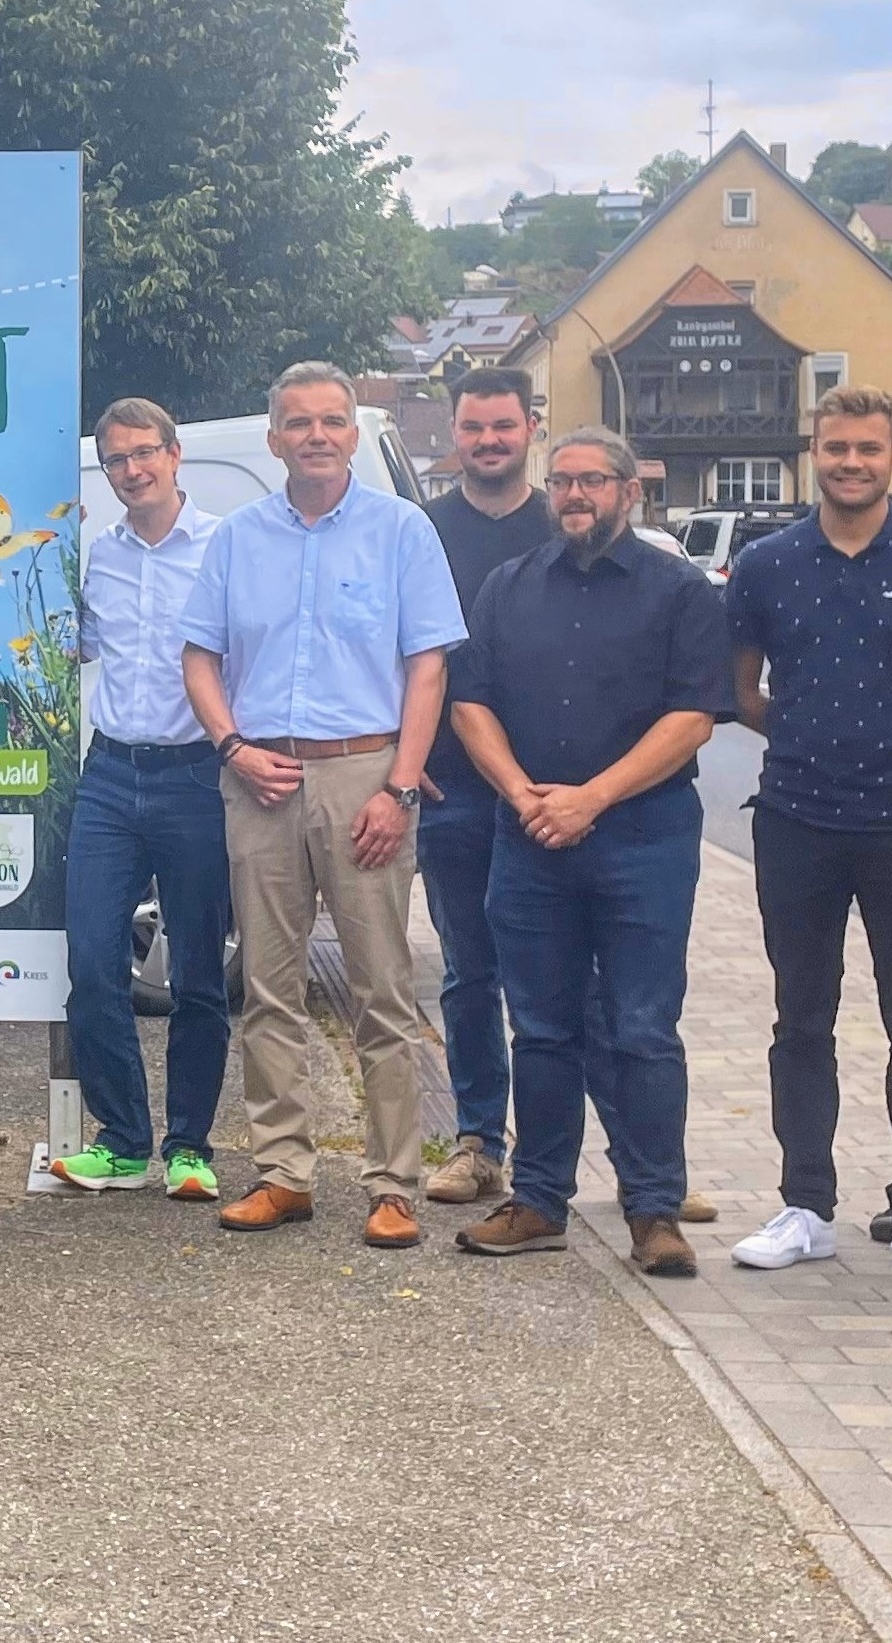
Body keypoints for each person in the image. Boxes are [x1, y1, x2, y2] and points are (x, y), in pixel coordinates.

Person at [181, 362, 462, 1246]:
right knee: (270, 989)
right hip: (260, 776)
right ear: (273, 440)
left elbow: (428, 666)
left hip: (363, 775)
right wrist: (231, 746)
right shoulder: (236, 538)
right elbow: (198, 657)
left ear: (350, 432)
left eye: (331, 421)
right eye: (298, 423)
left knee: (381, 991)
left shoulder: (400, 531)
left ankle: (393, 1184)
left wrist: (400, 785)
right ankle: (282, 1174)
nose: (315, 436)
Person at [451, 428, 731, 1279]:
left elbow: (693, 717)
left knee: (642, 1028)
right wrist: (521, 794)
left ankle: (653, 1210)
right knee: (540, 1028)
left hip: (642, 838)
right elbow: (469, 703)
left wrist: (591, 797)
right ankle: (538, 1200)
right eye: (562, 480)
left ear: (628, 492)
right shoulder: (506, 587)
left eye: (593, 481)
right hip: (529, 838)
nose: (574, 494)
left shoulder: (679, 591)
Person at [721, 386, 892, 1286]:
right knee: (801, 1016)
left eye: (868, 449)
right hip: (797, 818)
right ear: (813, 451)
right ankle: (805, 1204)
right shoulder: (766, 564)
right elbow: (742, 690)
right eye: (836, 448)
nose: (851, 463)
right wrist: (808, 736)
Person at [46, 397, 230, 1199]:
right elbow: (71, 645)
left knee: (198, 975)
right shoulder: (95, 555)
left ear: (173, 453)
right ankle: (122, 1141)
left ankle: (189, 1147)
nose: (132, 469)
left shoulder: (224, 547)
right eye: (116, 459)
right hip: (111, 775)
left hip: (198, 776)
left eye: (143, 452)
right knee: (91, 962)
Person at [419, 367, 547, 1207]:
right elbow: (388, 648)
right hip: (448, 790)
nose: (488, 441)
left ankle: (567, 1150)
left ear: (529, 427)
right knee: (469, 974)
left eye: (502, 426)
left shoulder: (564, 521)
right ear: (453, 434)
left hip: (552, 791)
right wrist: (402, 760)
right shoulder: (420, 531)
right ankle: (476, 1142)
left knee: (561, 980)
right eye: (473, 427)